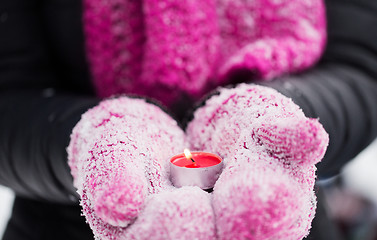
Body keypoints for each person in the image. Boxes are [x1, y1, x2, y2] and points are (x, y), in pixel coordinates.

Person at [0, 0, 376, 239]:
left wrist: (270, 113)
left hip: (271, 213)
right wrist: (95, 138)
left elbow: (361, 70)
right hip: (64, 223)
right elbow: (10, 98)